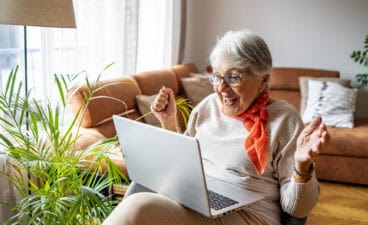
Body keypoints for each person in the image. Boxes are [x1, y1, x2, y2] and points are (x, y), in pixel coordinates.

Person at [103, 29, 330, 225]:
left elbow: (297, 210)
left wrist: (301, 167)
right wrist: (169, 122)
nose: (221, 88)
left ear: (262, 79)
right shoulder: (207, 107)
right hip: (198, 201)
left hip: (250, 216)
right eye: (217, 77)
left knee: (139, 208)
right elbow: (183, 165)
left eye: (233, 77)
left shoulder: (285, 120)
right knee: (139, 198)